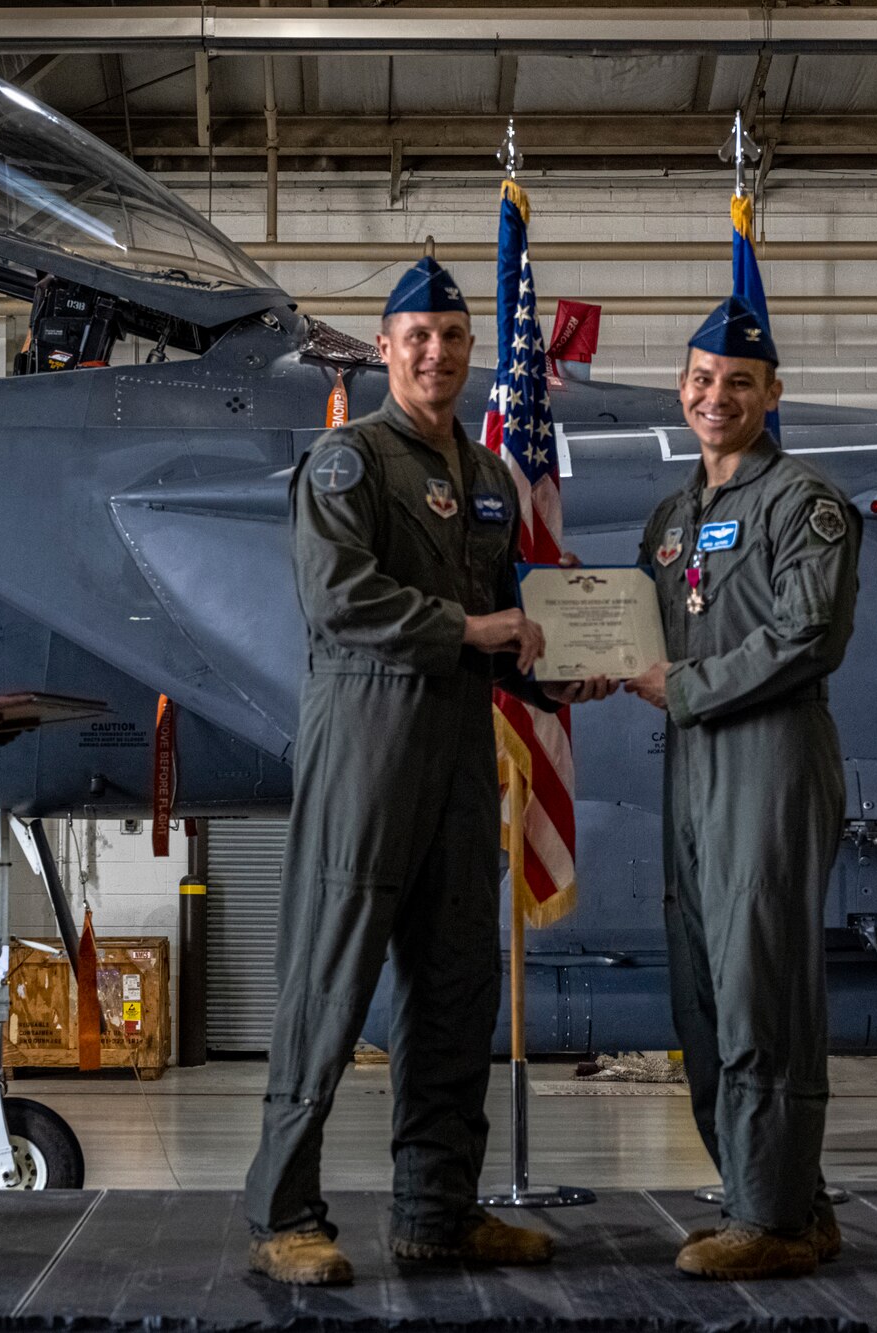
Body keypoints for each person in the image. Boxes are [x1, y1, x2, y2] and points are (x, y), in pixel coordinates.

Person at [245, 257, 612, 1286]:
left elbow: (505, 631)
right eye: (418, 337)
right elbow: (338, 603)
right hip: (365, 743)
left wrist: (553, 680)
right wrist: (471, 626)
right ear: (386, 345)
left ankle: (435, 1213)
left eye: (453, 336)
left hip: (458, 752)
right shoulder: (346, 464)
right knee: (327, 981)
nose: (438, 352)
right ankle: (283, 1215)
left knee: (454, 989)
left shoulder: (490, 479)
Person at [625, 297, 863, 1280]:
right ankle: (783, 1205)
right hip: (690, 765)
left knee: (757, 986)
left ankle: (767, 1217)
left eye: (735, 381)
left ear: (771, 394)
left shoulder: (803, 501)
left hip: (766, 759)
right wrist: (603, 659)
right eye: (699, 378)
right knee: (701, 994)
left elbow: (809, 635)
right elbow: (643, 629)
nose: (712, 395)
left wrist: (677, 685)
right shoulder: (671, 517)